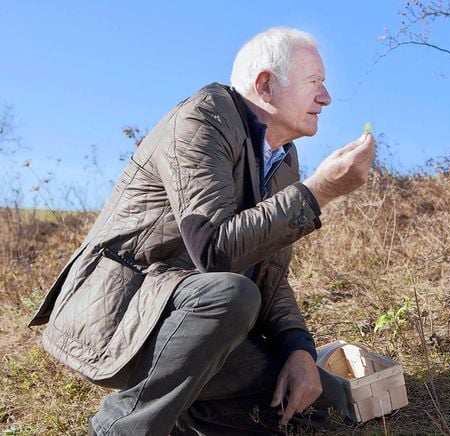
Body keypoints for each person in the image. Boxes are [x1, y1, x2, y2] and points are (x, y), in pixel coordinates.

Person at [28, 27, 375, 435]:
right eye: (314, 83)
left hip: (197, 325)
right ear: (265, 85)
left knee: (315, 407)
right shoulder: (202, 119)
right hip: (120, 316)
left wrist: (299, 349)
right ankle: (119, 426)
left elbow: (270, 274)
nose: (326, 97)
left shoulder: (282, 158)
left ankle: (182, 414)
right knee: (233, 293)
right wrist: (319, 191)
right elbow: (215, 252)